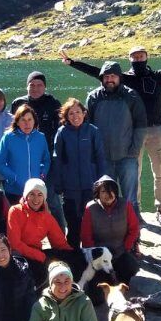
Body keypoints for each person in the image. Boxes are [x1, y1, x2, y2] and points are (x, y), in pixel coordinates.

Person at [61, 42, 161, 224]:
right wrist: (73, 63)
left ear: (147, 57)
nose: (138, 59)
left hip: (155, 130)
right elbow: (98, 72)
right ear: (130, 59)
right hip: (131, 132)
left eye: (141, 56)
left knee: (159, 172)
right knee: (135, 173)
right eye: (134, 57)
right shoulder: (123, 78)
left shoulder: (158, 77)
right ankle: (135, 211)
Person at [84, 62, 147, 215]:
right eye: (106, 76)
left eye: (113, 76)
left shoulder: (131, 96)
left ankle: (134, 234)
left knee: (130, 199)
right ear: (102, 78)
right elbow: (87, 127)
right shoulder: (93, 97)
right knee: (106, 197)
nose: (110, 79)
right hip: (103, 158)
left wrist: (134, 150)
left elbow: (141, 125)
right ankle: (109, 232)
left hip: (127, 157)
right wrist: (93, 152)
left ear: (119, 77)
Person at [51, 97, 109, 247]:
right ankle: (74, 255)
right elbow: (57, 159)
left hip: (90, 185)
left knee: (90, 221)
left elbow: (100, 158)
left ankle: (92, 253)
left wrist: (102, 183)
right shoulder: (62, 133)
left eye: (78, 112)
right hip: (70, 187)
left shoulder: (92, 131)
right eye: (71, 113)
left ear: (84, 113)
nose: (75, 116)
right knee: (73, 223)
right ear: (66, 117)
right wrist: (58, 184)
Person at [11, 72, 66, 227]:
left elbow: (61, 130)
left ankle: (61, 237)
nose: (35, 88)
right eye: (32, 85)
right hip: (23, 160)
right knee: (23, 199)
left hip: (46, 160)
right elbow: (11, 130)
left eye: (39, 85)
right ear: (27, 86)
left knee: (52, 199)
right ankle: (25, 238)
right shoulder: (18, 103)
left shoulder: (53, 104)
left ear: (45, 87)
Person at [6, 178, 85, 285]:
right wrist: (39, 256)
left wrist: (74, 257)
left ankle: (74, 288)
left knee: (72, 257)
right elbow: (15, 244)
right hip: (19, 254)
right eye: (32, 194)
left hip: (38, 253)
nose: (36, 199)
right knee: (36, 269)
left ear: (44, 197)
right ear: (25, 195)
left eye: (40, 195)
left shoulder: (46, 217)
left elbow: (60, 243)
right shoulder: (15, 211)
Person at [80, 175, 141, 285]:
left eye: (111, 190)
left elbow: (134, 228)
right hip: (99, 256)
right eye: (103, 191)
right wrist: (96, 255)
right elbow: (86, 236)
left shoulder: (125, 205)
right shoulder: (90, 208)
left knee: (132, 267)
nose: (108, 195)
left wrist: (126, 247)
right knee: (98, 294)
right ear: (98, 193)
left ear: (116, 192)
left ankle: (120, 277)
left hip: (120, 251)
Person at [0, 105, 51, 203]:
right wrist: (13, 178)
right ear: (17, 122)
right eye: (23, 120)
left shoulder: (40, 137)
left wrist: (42, 174)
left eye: (30, 119)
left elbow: (46, 160)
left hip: (36, 191)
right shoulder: (8, 138)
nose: (27, 123)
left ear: (34, 121)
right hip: (14, 190)